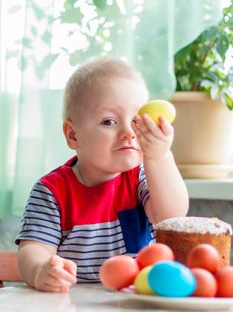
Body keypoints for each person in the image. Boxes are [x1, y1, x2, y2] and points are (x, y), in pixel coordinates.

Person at [16, 57, 189, 292]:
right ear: (73, 135)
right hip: (74, 299)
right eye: (109, 121)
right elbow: (33, 249)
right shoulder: (51, 191)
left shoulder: (140, 176)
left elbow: (170, 217)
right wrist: (39, 271)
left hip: (136, 298)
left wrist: (159, 156)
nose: (128, 132)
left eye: (136, 121)